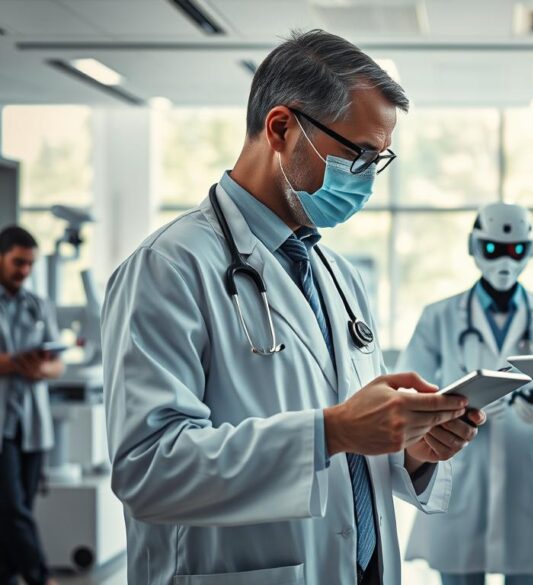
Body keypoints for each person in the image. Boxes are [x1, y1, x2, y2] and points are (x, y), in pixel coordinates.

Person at [101, 30, 484, 585]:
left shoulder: (337, 273)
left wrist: (413, 446)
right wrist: (331, 432)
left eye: (378, 160)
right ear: (281, 128)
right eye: (357, 154)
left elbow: (351, 443)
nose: (366, 180)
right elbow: (148, 470)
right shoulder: (169, 266)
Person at [398, 202, 533, 585]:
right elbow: (406, 391)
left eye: (516, 250)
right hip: (462, 468)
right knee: (460, 572)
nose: (505, 259)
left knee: (528, 574)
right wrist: (448, 411)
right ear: (474, 246)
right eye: (493, 249)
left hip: (526, 471)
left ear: (530, 251)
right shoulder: (439, 317)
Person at [0, 226, 62, 585]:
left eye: (29, 264)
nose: (24, 270)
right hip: (2, 424)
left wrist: (43, 368)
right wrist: (14, 363)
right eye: (17, 262)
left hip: (31, 424)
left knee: (19, 507)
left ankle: (7, 574)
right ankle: (42, 578)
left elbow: (57, 362)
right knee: (11, 508)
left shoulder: (39, 306)